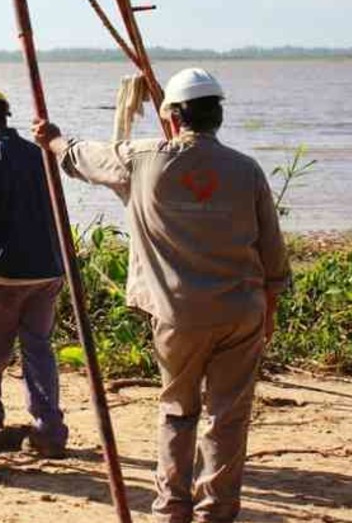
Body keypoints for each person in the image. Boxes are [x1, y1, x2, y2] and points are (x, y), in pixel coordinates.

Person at [34, 68, 290, 523]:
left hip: (179, 315)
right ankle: (215, 510)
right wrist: (268, 311)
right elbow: (273, 256)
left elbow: (80, 157)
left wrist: (53, 140)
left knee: (178, 409)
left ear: (172, 118)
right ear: (217, 116)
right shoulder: (246, 170)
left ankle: (172, 508)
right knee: (228, 416)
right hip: (241, 312)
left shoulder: (141, 159)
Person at [0, 87, 69, 458]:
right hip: (47, 271)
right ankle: (49, 428)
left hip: (5, 275)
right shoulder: (39, 154)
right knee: (38, 349)